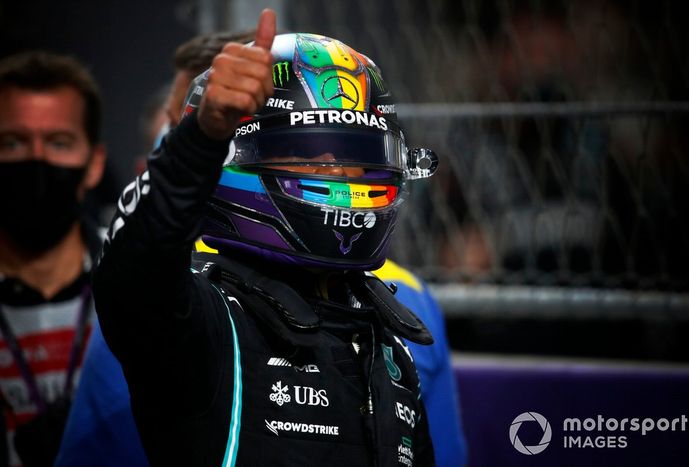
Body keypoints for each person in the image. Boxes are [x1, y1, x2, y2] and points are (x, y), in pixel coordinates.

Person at [57, 22, 467, 466]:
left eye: (354, 155)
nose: (338, 172)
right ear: (237, 157)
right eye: (308, 154)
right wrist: (200, 139)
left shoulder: (390, 341)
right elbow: (133, 268)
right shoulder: (203, 322)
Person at [0, 51, 106, 466]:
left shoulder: (139, 286)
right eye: (13, 142)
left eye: (59, 143)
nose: (37, 159)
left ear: (94, 165)